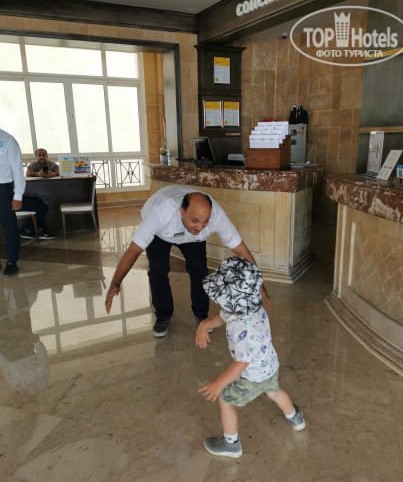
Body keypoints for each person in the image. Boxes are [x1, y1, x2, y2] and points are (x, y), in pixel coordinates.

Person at [105, 185, 270, 338]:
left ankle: (201, 314)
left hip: (192, 240)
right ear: (181, 212)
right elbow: (134, 249)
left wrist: (258, 283)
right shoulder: (162, 211)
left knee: (199, 269)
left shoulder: (216, 216)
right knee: (158, 269)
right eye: (195, 220)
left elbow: (241, 250)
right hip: (160, 234)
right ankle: (163, 316)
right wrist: (115, 283)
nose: (200, 227)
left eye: (205, 221)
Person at [196, 256, 305, 459]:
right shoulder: (249, 306)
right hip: (269, 365)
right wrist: (204, 325)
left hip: (251, 376)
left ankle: (231, 444)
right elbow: (222, 316)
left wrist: (219, 383)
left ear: (231, 300)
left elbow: (242, 363)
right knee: (274, 392)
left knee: (225, 399)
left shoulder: (244, 328)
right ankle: (296, 418)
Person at [0, 128, 25, 277]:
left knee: (10, 228)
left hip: (3, 189)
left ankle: (12, 262)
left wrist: (18, 196)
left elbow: (17, 169)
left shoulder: (8, 140)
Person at [21, 148, 58, 240]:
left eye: (43, 155)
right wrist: (38, 174)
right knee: (42, 207)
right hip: (22, 196)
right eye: (39, 155)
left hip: (49, 190)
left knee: (40, 203)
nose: (42, 157)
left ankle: (39, 230)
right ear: (36, 157)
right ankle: (29, 230)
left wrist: (53, 174)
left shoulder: (52, 164)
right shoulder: (33, 164)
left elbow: (60, 171)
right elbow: (28, 173)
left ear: (47, 156)